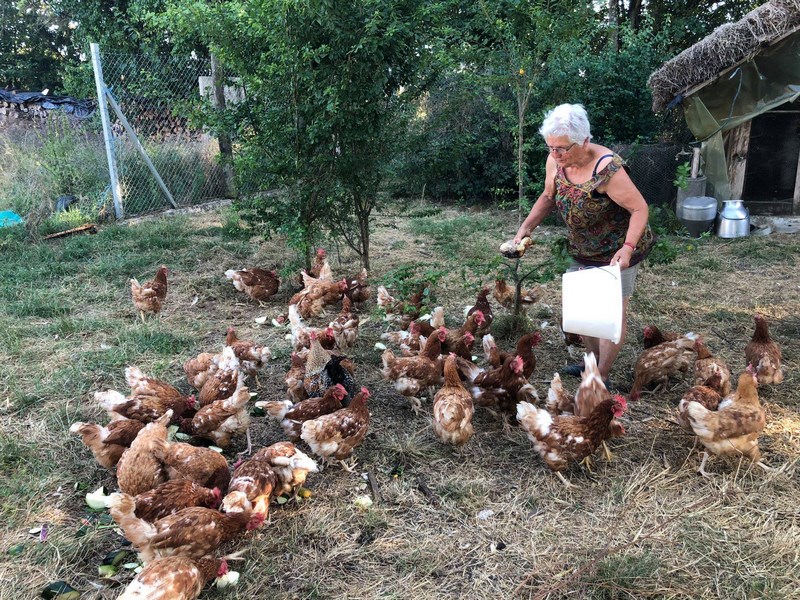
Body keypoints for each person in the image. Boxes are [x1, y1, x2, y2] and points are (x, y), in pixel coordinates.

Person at [513, 103, 654, 387]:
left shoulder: (607, 169)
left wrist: (627, 248)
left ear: (585, 141)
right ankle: (590, 362)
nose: (555, 154)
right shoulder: (556, 161)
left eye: (562, 148)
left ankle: (601, 375)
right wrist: (525, 228)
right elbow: (548, 196)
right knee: (584, 312)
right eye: (551, 147)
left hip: (618, 249)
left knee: (610, 315)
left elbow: (639, 208)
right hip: (583, 247)